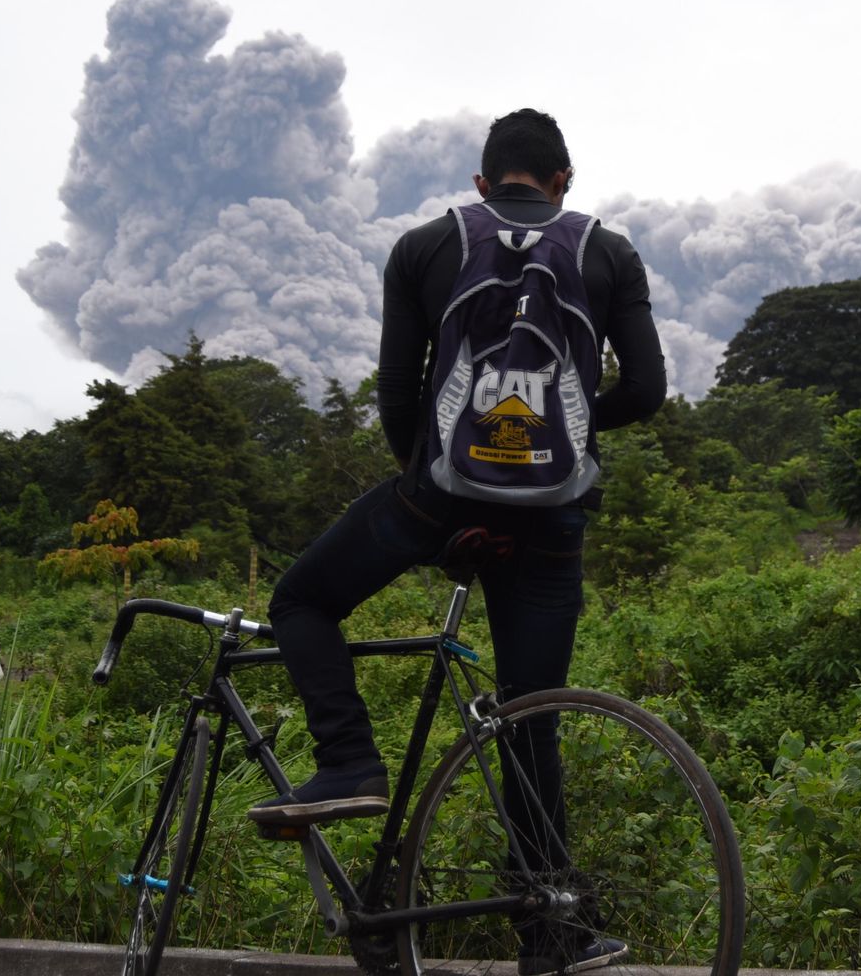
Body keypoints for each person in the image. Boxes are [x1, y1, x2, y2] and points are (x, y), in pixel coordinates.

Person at [252, 108, 666, 971]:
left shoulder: (424, 247)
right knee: (530, 717)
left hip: (438, 500)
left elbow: (398, 396)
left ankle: (349, 763)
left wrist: (435, 494)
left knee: (301, 600)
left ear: (483, 183)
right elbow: (649, 390)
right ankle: (552, 934)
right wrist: (571, 433)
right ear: (564, 181)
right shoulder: (609, 251)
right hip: (554, 515)